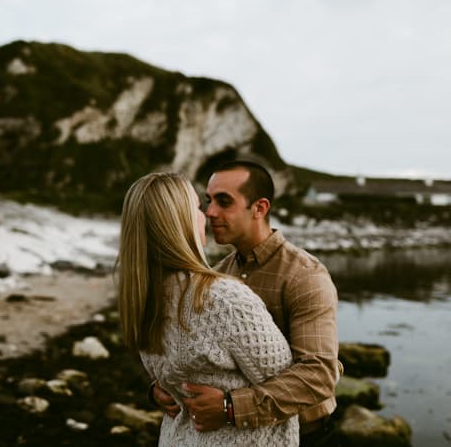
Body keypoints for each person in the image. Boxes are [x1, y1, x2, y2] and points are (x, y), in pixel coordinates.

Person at [151, 161, 341, 446]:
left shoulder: (304, 275)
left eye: (224, 202)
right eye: (208, 201)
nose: (210, 212)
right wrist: (162, 388)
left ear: (260, 208)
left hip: (306, 433)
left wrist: (230, 408)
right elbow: (199, 354)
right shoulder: (216, 275)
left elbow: (319, 375)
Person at [118, 171, 299, 446]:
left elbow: (175, 377)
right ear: (178, 222)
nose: (208, 215)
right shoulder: (223, 298)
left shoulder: (143, 298)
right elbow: (289, 388)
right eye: (197, 207)